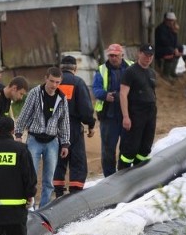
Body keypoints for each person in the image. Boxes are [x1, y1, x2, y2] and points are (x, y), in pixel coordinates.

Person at [14, 67, 70, 209]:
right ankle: (28, 206)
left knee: (48, 180)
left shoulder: (62, 98)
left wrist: (65, 143)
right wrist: (19, 134)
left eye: (57, 82)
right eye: (52, 81)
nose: (54, 85)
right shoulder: (35, 93)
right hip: (34, 139)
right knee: (30, 176)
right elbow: (24, 114)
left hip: (52, 142)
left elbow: (64, 122)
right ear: (46, 78)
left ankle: (44, 208)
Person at [53, 56, 95, 198]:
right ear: (75, 68)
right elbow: (85, 109)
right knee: (77, 160)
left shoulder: (53, 82)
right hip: (72, 126)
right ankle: (75, 193)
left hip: (54, 126)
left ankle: (58, 191)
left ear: (60, 67)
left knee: (58, 159)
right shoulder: (78, 82)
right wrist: (91, 124)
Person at [92, 43, 133, 177]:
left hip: (127, 114)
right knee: (108, 149)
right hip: (109, 116)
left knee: (127, 146)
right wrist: (105, 95)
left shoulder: (131, 67)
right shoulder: (102, 70)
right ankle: (109, 177)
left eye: (116, 55)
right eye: (111, 56)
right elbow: (96, 89)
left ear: (122, 55)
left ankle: (124, 173)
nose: (113, 58)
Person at [118, 44, 157, 170]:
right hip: (135, 114)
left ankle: (140, 172)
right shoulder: (131, 72)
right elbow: (123, 94)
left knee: (145, 146)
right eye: (146, 55)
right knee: (130, 147)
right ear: (139, 54)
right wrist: (126, 117)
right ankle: (122, 174)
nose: (148, 58)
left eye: (150, 55)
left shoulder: (151, 72)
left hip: (150, 113)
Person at [154, 11, 183, 80]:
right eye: (170, 21)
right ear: (166, 20)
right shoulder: (161, 29)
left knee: (180, 48)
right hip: (159, 49)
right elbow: (163, 41)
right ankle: (166, 74)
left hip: (168, 47)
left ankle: (172, 71)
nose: (172, 22)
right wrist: (173, 48)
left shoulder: (172, 29)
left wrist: (176, 47)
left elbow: (175, 41)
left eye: (173, 21)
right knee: (170, 51)